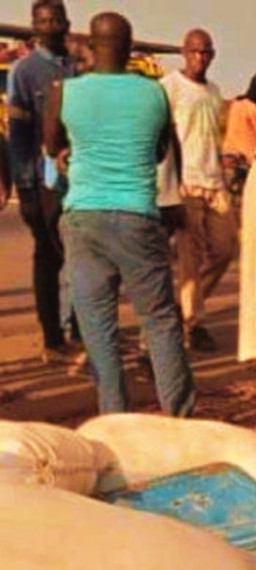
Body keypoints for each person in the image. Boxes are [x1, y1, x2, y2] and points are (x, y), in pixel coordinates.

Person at [44, 11, 195, 417]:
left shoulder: (63, 92)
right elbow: (161, 151)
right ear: (130, 50)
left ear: (91, 48)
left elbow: (51, 146)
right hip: (138, 218)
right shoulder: (154, 94)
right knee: (160, 321)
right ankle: (179, 420)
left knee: (99, 328)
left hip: (84, 218)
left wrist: (67, 156)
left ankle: (116, 420)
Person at [6, 0, 79, 364]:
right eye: (42, 21)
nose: (49, 26)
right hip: (40, 179)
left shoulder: (76, 68)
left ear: (66, 23)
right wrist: (25, 182)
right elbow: (18, 134)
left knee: (81, 256)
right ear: (34, 27)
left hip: (79, 179)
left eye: (55, 19)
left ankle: (81, 332)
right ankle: (53, 338)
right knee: (48, 256)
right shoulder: (23, 71)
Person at [160, 28, 236, 352]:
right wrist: (168, 183)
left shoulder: (215, 92)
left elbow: (212, 137)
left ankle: (186, 306)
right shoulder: (170, 87)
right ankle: (194, 323)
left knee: (225, 248)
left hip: (214, 181)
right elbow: (162, 136)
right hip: (186, 182)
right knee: (189, 257)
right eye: (195, 52)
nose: (200, 58)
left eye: (206, 52)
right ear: (183, 52)